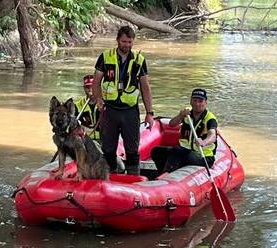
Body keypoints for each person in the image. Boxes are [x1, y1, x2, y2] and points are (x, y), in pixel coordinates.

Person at [92, 25, 154, 175]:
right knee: (108, 148)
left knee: (132, 149)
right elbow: (96, 81)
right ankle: (109, 176)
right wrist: (98, 99)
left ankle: (134, 177)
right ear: (117, 40)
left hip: (130, 111)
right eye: (124, 41)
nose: (126, 45)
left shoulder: (139, 61)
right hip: (110, 110)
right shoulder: (106, 57)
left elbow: (145, 87)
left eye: (129, 42)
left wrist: (149, 112)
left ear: (133, 42)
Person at [151, 88, 218, 174]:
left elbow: (212, 135)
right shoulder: (187, 114)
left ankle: (167, 173)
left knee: (178, 151)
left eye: (200, 101)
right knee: (156, 151)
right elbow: (172, 124)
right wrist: (180, 116)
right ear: (191, 101)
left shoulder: (210, 118)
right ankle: (163, 173)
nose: (197, 104)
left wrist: (204, 142)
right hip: (185, 151)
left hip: (203, 157)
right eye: (195, 100)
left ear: (205, 102)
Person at [75, 74, 125, 172]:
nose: (90, 90)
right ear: (84, 88)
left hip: (105, 142)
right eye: (87, 87)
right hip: (87, 142)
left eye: (92, 87)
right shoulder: (78, 106)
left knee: (121, 167)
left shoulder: (107, 104)